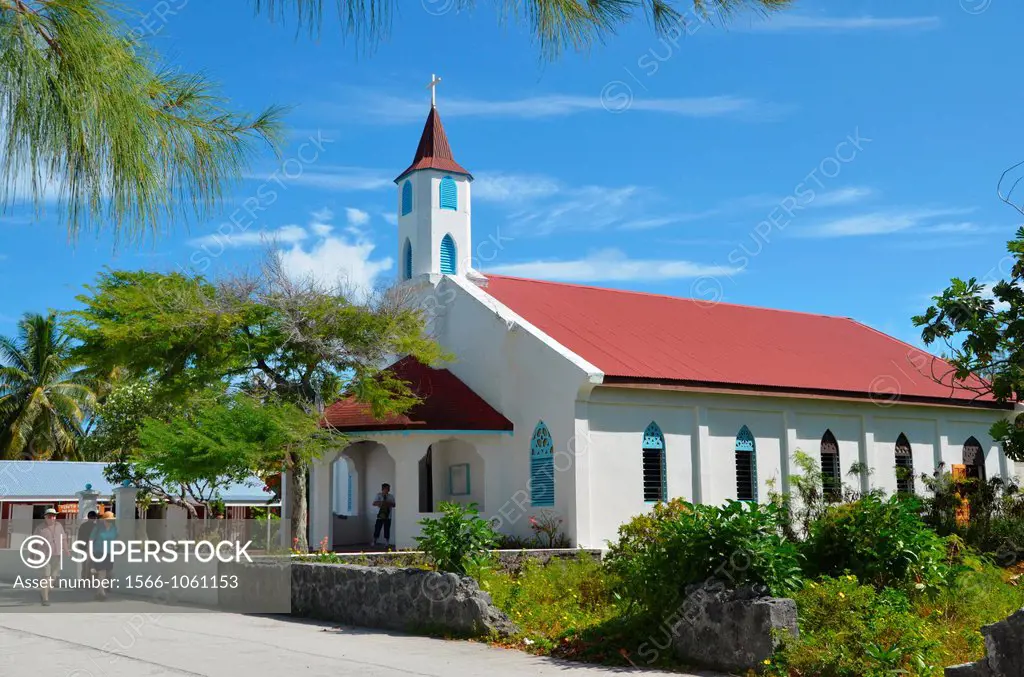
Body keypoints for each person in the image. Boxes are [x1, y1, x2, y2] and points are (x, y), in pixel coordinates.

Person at [33, 508, 69, 606]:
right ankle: (45, 599)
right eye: (50, 516)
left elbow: (64, 539)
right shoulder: (40, 528)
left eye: (54, 516)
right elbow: (34, 542)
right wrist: (32, 555)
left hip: (56, 555)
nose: (52, 518)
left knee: (53, 577)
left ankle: (44, 592)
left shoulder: (59, 526)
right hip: (44, 556)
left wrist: (66, 550)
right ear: (45, 517)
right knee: (45, 576)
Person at [88, 512, 117, 599]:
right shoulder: (98, 528)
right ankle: (102, 592)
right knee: (102, 571)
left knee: (108, 572)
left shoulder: (114, 529)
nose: (109, 522)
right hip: (98, 552)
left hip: (109, 553)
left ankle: (99, 591)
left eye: (111, 520)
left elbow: (117, 539)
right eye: (107, 520)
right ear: (103, 520)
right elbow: (91, 540)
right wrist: (89, 553)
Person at [77, 510, 99, 580]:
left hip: (85, 548)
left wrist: (80, 547)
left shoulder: (83, 526)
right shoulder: (96, 526)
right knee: (92, 565)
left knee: (85, 565)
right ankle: (89, 579)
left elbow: (79, 537)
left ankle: (85, 579)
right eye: (94, 517)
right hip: (92, 548)